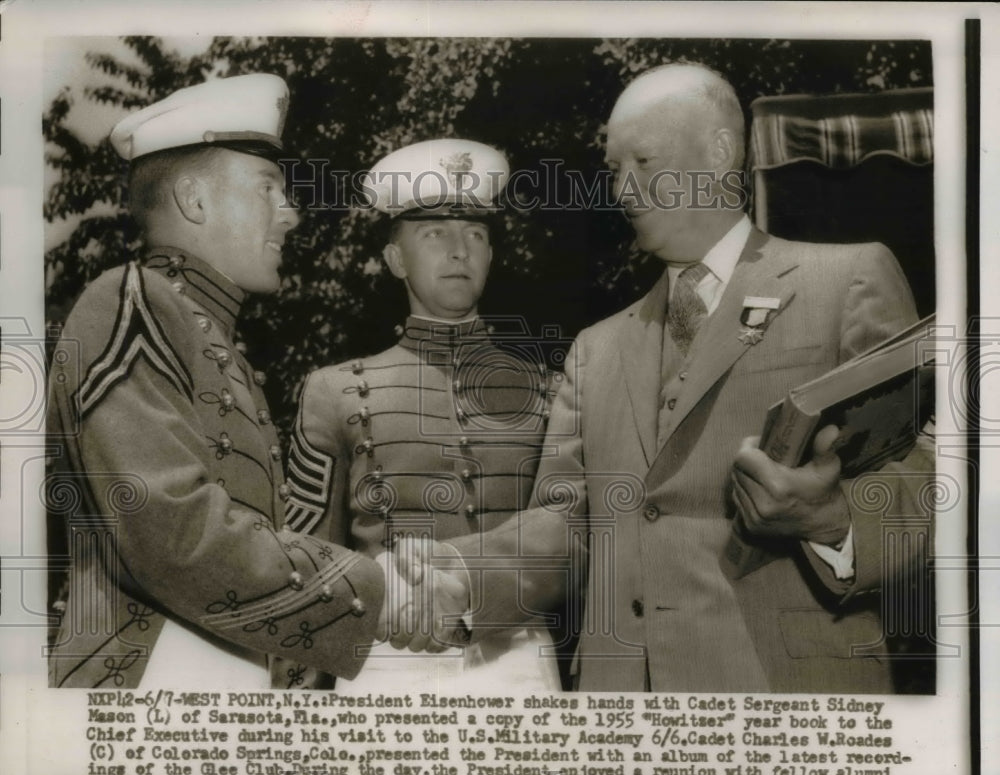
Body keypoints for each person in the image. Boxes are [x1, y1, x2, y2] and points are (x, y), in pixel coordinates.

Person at [397, 63, 935, 693]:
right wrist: (464, 573)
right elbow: (566, 522)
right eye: (613, 170)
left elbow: (922, 486)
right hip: (624, 724)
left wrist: (831, 519)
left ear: (719, 153)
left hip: (787, 704)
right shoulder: (596, 348)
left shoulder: (847, 280)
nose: (623, 189)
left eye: (644, 162)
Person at [46, 74, 395, 689]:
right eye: (269, 190)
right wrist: (375, 588)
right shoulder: (130, 301)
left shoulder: (206, 333)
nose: (291, 214)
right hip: (150, 689)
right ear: (195, 200)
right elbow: (172, 533)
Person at [284, 138, 561, 692]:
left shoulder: (551, 391)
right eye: (434, 233)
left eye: (476, 234)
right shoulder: (334, 390)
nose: (460, 250)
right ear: (394, 259)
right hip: (383, 659)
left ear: (491, 255)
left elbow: (573, 536)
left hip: (515, 659)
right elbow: (310, 561)